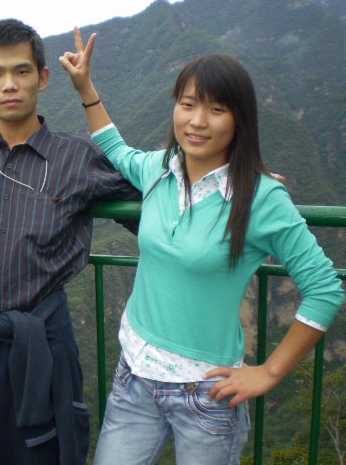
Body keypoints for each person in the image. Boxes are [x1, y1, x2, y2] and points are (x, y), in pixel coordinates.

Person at [58, 28, 345, 464]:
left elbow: (325, 289)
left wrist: (269, 372)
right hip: (134, 376)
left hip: (207, 395)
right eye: (188, 104)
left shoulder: (262, 198)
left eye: (216, 109)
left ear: (240, 120)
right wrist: (85, 88)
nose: (197, 121)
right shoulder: (158, 170)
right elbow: (115, 146)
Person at [0, 19, 142, 465]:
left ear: (43, 77)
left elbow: (155, 199)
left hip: (39, 345)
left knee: (41, 453)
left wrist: (234, 184)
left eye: (21, 71)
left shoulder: (77, 158)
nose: (9, 84)